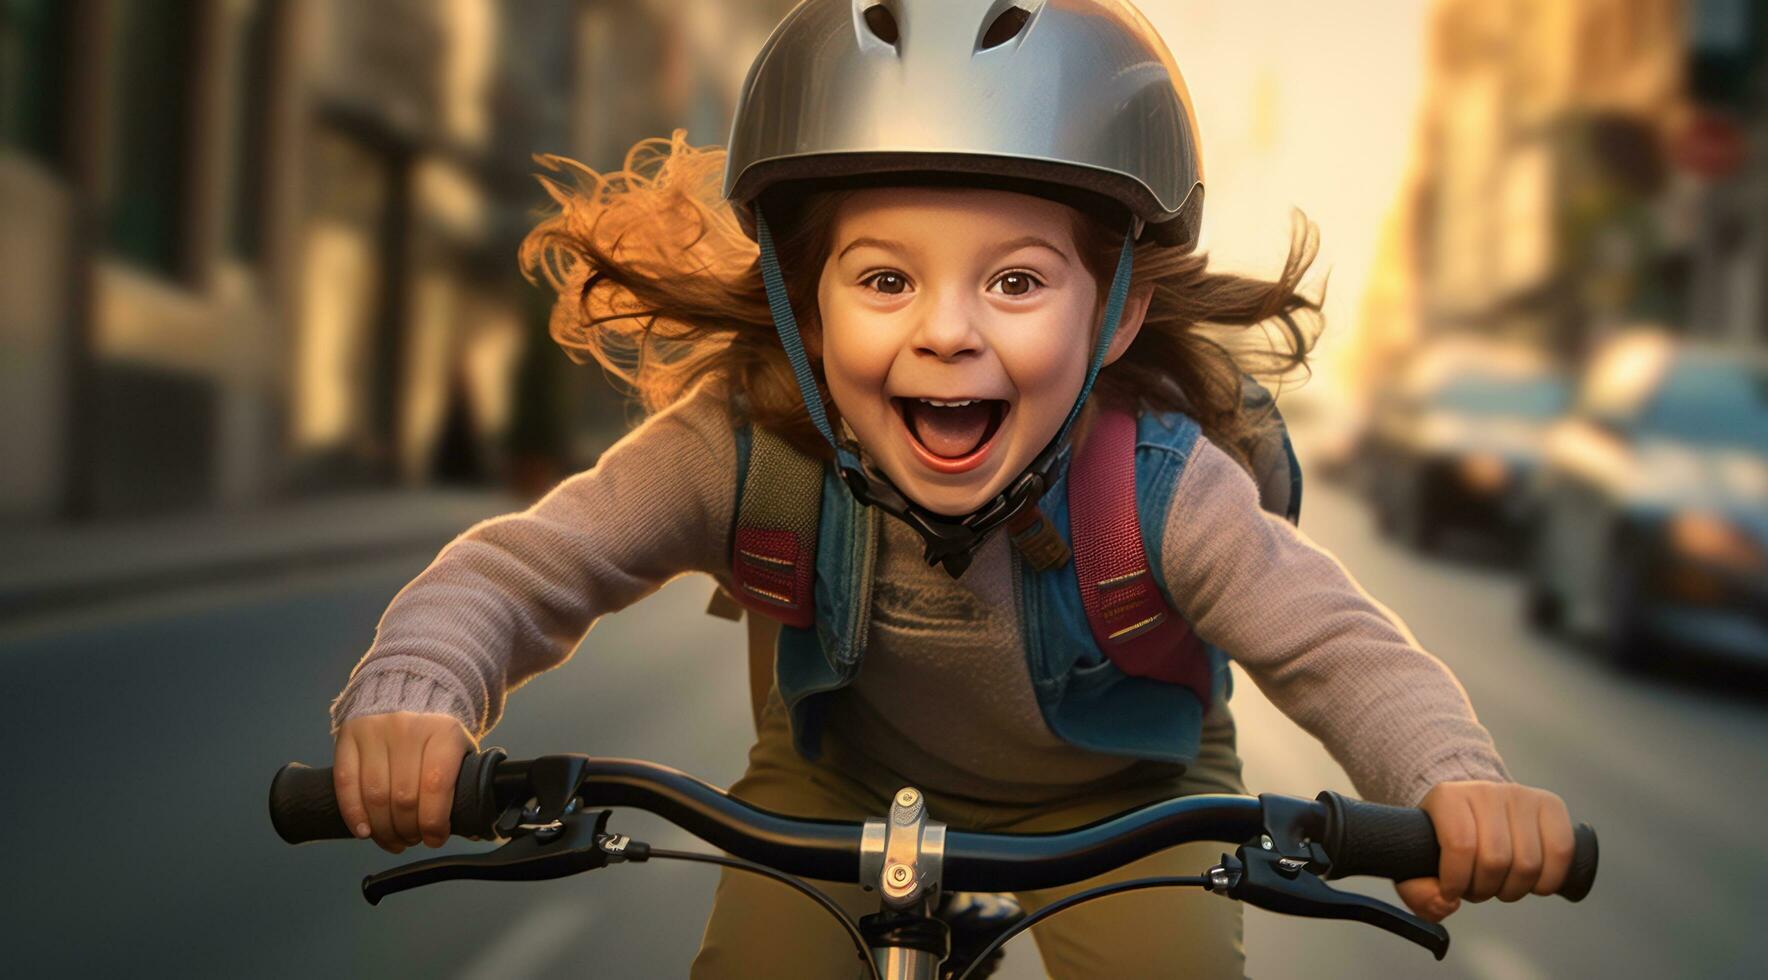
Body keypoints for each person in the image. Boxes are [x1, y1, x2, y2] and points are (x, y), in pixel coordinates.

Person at [326, 2, 1576, 975]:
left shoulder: (1159, 489)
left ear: (1119, 308)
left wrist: (1450, 782)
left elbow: (1337, 645)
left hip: (1126, 797)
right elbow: (528, 565)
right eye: (882, 280)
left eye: (1017, 283)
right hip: (838, 781)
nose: (946, 334)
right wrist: (420, 689)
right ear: (800, 304)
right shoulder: (750, 443)